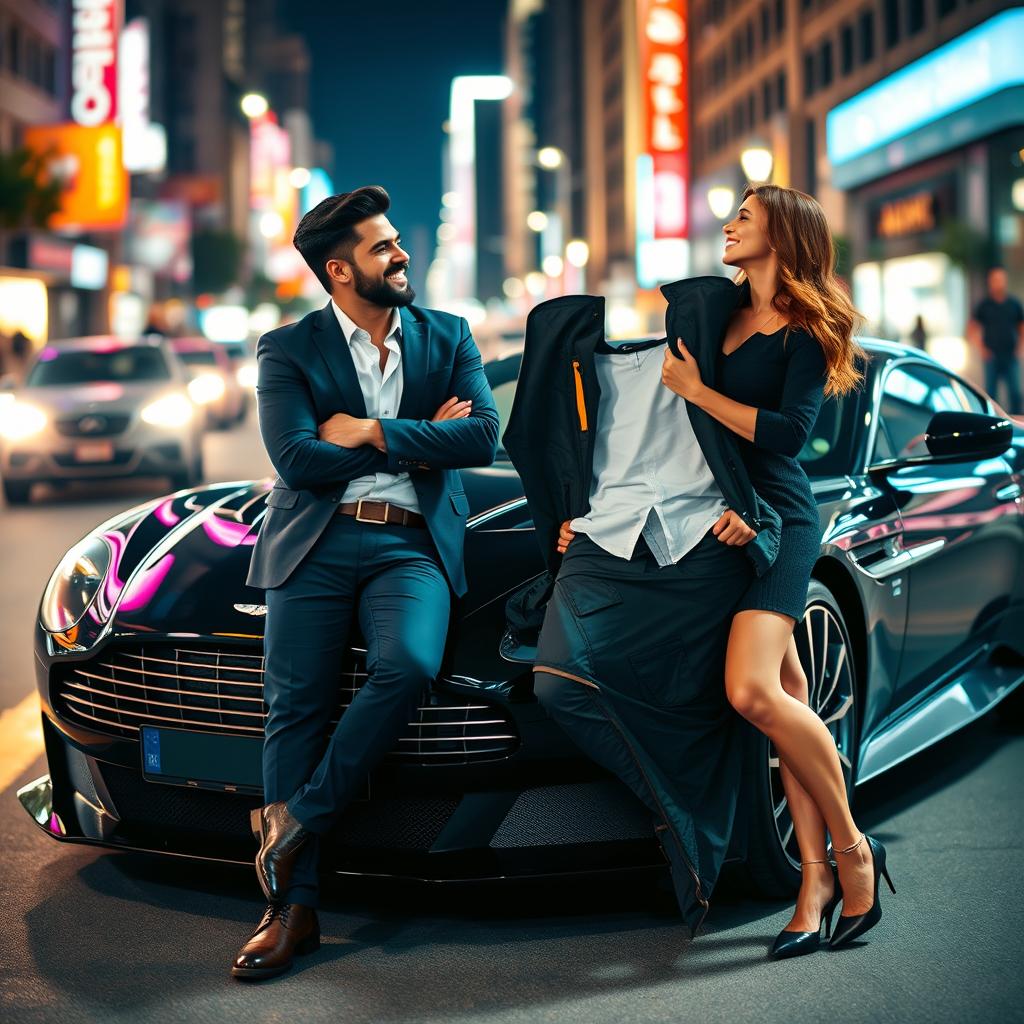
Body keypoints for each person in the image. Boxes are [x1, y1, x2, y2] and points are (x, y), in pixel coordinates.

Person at [233, 185, 499, 980]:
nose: (401, 254)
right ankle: (292, 912)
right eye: (383, 247)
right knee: (297, 708)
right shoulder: (288, 348)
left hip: (406, 546)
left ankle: (296, 820)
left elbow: (481, 435)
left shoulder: (448, 336)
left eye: (396, 240)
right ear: (341, 270)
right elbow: (297, 460)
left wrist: (373, 429)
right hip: (311, 547)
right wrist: (422, 441)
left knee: (410, 665)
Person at [655, 183, 894, 958]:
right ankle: (814, 882)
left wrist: (698, 391)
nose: (727, 225)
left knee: (751, 691)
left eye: (745, 217)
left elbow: (788, 436)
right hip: (724, 520)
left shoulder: (808, 329)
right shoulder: (716, 312)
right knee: (791, 701)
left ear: (783, 234)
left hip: (781, 520)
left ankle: (857, 851)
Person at [503, 283, 783, 936]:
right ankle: (681, 811)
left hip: (706, 538)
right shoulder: (568, 367)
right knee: (559, 683)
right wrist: (562, 517)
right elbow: (534, 441)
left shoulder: (721, 353)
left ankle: (704, 832)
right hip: (606, 535)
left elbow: (775, 438)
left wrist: (752, 513)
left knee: (712, 693)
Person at [968, 267, 1024, 414]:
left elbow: (1021, 326)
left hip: (1010, 355)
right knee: (991, 394)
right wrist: (982, 348)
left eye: (1000, 279)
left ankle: (1017, 422)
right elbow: (972, 328)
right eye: (995, 279)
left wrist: (1020, 347)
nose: (998, 283)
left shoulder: (1014, 304)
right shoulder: (984, 305)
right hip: (991, 356)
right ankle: (993, 422)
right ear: (990, 282)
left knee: (1015, 393)